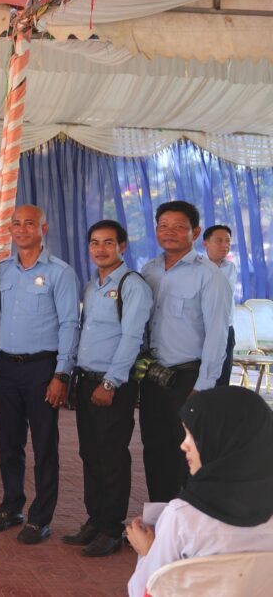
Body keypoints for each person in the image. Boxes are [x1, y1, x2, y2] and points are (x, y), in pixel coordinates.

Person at [0, 204, 79, 545]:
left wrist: (61, 374)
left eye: (30, 223)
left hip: (43, 368)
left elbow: (70, 324)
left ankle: (41, 518)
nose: (22, 229)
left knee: (44, 445)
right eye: (17, 224)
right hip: (6, 368)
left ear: (44, 228)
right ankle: (12, 506)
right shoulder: (2, 271)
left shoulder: (60, 273)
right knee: (9, 443)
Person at [126, 386, 273, 597]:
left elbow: (144, 590)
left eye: (193, 436)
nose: (183, 445)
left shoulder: (183, 517)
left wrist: (147, 551)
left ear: (221, 440)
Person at [64, 220, 153, 557]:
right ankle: (95, 519)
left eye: (108, 243)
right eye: (94, 243)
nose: (100, 249)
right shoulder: (92, 286)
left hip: (112, 384)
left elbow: (131, 338)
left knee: (112, 455)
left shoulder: (132, 285)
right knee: (90, 453)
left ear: (122, 247)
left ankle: (112, 529)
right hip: (87, 381)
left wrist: (110, 382)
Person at [140, 201, 232, 503]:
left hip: (189, 379)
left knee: (189, 453)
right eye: (163, 226)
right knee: (155, 450)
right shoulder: (149, 270)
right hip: (153, 376)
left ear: (195, 232)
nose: (170, 232)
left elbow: (217, 335)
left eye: (179, 226)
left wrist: (203, 387)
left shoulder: (210, 276)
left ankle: (191, 520)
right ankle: (161, 518)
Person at [203, 225, 237, 387]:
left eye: (228, 241)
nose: (225, 245)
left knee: (223, 377)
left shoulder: (231, 267)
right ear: (206, 243)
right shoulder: (196, 267)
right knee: (202, 377)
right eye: (219, 241)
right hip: (202, 329)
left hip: (226, 328)